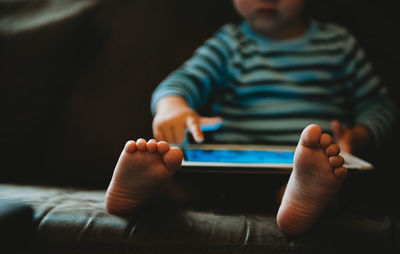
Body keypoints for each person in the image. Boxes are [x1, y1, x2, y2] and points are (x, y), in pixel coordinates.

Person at [105, 0, 396, 235]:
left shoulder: (338, 44)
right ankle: (150, 185)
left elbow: (378, 104)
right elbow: (178, 84)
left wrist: (359, 135)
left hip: (299, 170)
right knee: (184, 185)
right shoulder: (229, 44)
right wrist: (173, 107)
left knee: (326, 181)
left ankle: (302, 199)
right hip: (228, 168)